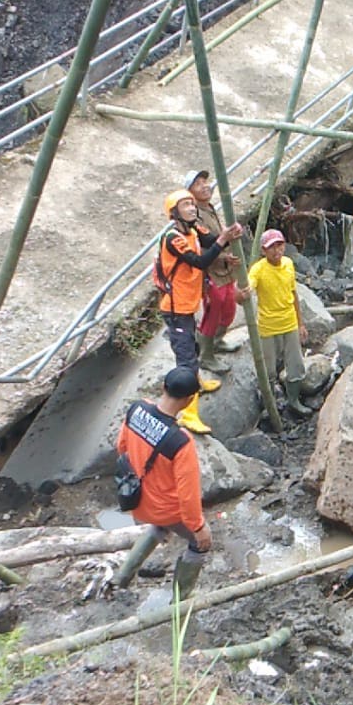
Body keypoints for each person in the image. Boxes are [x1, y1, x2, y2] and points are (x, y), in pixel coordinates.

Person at [114, 366, 212, 599]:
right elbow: (188, 496)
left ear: (162, 388)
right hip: (165, 510)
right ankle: (181, 598)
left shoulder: (136, 409)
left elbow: (121, 448)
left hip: (136, 501)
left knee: (157, 527)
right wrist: (199, 529)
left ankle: (122, 578)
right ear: (189, 401)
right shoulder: (180, 442)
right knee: (200, 544)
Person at [157, 189, 243, 434]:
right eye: (186, 205)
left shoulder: (193, 230)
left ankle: (197, 384)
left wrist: (228, 236)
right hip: (176, 308)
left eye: (192, 204)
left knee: (192, 348)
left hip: (187, 304)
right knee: (186, 359)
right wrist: (221, 241)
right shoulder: (173, 238)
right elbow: (200, 261)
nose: (192, 208)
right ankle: (188, 413)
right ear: (174, 213)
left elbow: (212, 240)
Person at [245, 228, 311, 419]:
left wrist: (301, 323)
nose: (276, 251)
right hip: (267, 325)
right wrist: (244, 291)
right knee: (268, 369)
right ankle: (269, 404)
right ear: (263, 251)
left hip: (289, 322)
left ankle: (293, 401)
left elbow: (293, 294)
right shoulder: (258, 269)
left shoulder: (289, 264)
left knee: (296, 365)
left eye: (279, 245)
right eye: (271, 247)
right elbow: (250, 284)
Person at [183, 168, 244, 375]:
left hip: (224, 269)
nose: (204, 186)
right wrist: (224, 254)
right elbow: (203, 245)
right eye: (198, 184)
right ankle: (206, 355)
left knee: (229, 309)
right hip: (211, 271)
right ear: (189, 192)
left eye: (204, 182)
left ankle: (217, 341)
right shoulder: (193, 216)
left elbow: (218, 236)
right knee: (213, 311)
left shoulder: (209, 207)